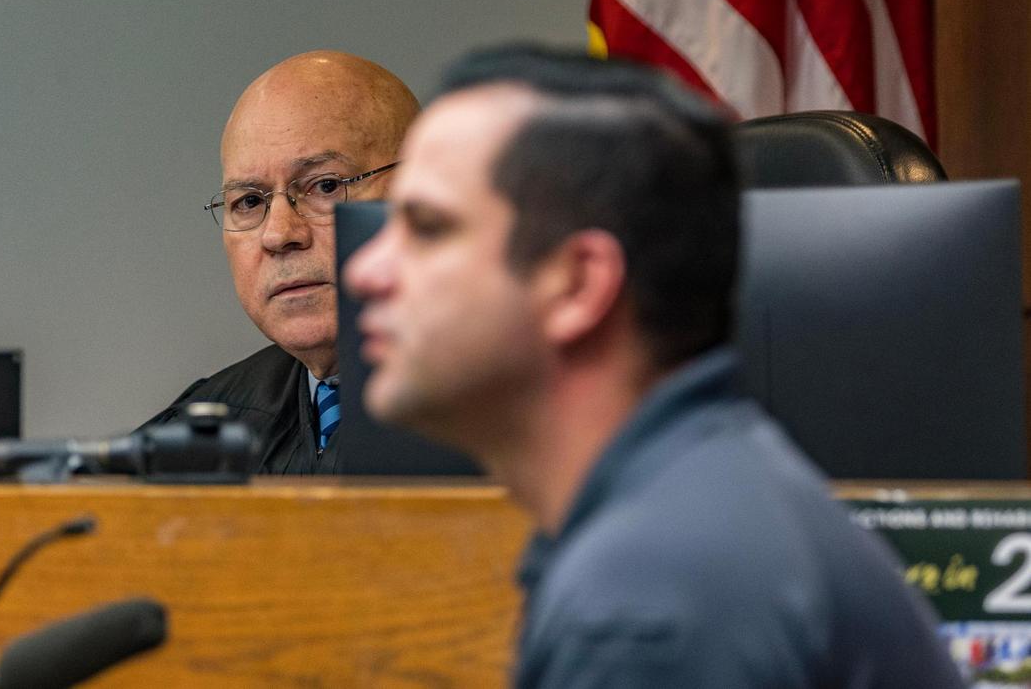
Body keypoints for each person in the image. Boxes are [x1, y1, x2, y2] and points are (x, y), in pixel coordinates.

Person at [345, 45, 963, 688]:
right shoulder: (692, 504)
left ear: (578, 285)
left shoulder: (654, 592)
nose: (364, 270)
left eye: (427, 228)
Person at [140, 51, 419, 474]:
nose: (279, 235)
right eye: (249, 201)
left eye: (325, 186)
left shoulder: (521, 413)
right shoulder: (205, 431)